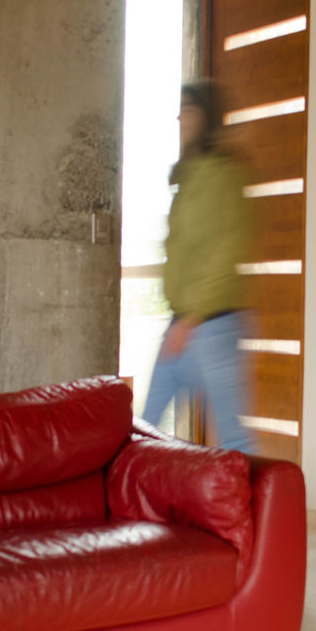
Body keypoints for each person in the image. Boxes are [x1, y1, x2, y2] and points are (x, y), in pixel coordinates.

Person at [140, 81, 255, 453]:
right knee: (143, 427)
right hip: (184, 322)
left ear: (205, 116)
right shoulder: (188, 175)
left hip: (211, 325)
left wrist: (191, 320)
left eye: (187, 109)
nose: (180, 117)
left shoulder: (223, 176)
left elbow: (224, 252)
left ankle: (262, 510)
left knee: (233, 436)